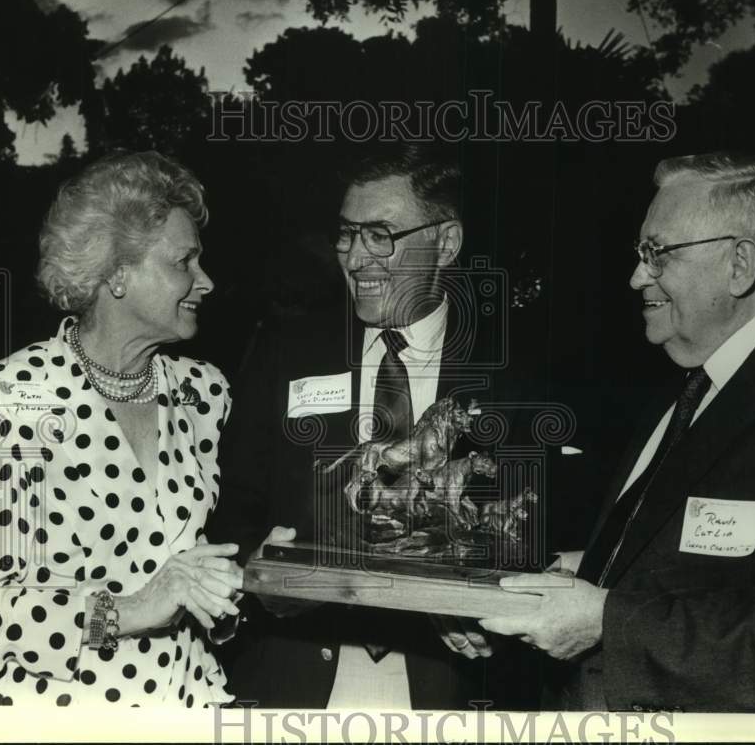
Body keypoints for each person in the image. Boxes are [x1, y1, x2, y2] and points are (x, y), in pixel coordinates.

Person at [478, 152, 755, 712]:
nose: (636, 277)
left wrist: (605, 620)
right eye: (639, 253)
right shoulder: (692, 379)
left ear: (739, 265)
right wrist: (589, 567)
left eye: (658, 254)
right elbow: (704, 557)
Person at [208, 144, 551, 709]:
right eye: (346, 234)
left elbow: (536, 523)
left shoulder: (520, 369)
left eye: (381, 234)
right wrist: (265, 576)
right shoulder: (285, 351)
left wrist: (483, 601)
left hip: (453, 684)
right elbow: (232, 508)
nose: (357, 256)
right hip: (296, 676)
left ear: (446, 242)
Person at [0, 151, 243, 706]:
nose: (206, 281)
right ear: (116, 274)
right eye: (184, 262)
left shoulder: (204, 393)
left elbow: (198, 570)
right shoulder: (2, 401)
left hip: (185, 703)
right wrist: (129, 612)